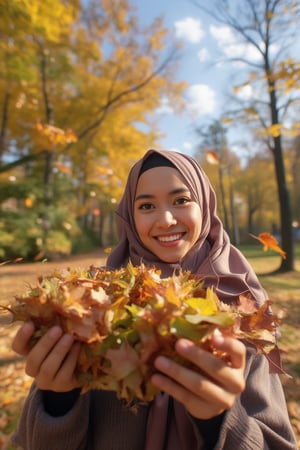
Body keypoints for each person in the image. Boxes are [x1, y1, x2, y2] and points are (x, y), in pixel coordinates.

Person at [11, 148, 297, 450]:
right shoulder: (95, 304)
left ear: (205, 205)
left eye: (181, 200)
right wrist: (58, 399)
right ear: (130, 218)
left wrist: (219, 420)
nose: (166, 219)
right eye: (147, 205)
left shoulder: (239, 302)